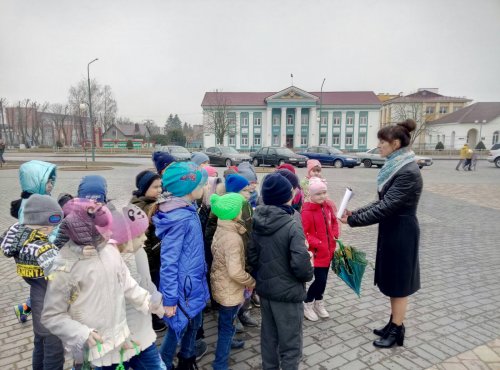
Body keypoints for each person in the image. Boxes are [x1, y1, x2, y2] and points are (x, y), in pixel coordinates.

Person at [42, 198, 161, 368]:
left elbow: (127, 284)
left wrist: (148, 302)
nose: (110, 235)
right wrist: (81, 333)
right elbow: (52, 315)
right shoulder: (65, 267)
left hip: (121, 341)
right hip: (94, 349)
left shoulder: (109, 252)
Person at [340, 119, 423, 349]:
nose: (378, 146)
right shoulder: (398, 166)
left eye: (382, 142)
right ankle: (393, 323)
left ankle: (397, 329)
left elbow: (387, 207)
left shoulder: (407, 171)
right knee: (394, 280)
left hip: (402, 232)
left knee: (399, 283)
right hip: (393, 229)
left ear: (395, 144)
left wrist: (354, 220)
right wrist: (354, 213)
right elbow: (382, 202)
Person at [249, 173, 314, 370]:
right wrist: (309, 267)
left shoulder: (256, 219)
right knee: (291, 345)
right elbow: (301, 266)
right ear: (287, 197)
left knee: (269, 339)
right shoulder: (292, 224)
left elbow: (252, 256)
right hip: (288, 294)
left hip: (266, 292)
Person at [153, 162, 209, 370]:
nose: (204, 187)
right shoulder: (179, 218)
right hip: (182, 289)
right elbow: (168, 262)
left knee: (194, 323)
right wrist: (169, 299)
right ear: (188, 188)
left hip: (193, 283)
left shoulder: (187, 209)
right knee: (177, 329)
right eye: (201, 184)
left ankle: (187, 359)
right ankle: (163, 364)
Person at [1, 194, 65, 369]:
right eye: (52, 226)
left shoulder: (20, 240)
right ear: (44, 226)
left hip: (37, 301)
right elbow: (63, 280)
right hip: (53, 308)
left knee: (40, 345)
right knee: (54, 353)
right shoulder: (43, 248)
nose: (53, 230)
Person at [110, 204, 166, 370]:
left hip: (139, 333)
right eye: (139, 235)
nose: (145, 239)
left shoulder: (138, 252)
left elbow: (146, 286)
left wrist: (160, 306)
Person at [210, 193, 256, 370]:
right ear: (235, 213)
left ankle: (230, 342)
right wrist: (251, 280)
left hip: (221, 284)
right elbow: (235, 271)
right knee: (226, 327)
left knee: (227, 321)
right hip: (229, 288)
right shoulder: (233, 238)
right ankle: (220, 364)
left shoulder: (222, 227)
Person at [10, 159, 57, 322]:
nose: (51, 184)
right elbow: (29, 230)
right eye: (47, 181)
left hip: (49, 248)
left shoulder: (45, 199)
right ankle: (36, 312)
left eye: (52, 180)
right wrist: (49, 240)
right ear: (36, 182)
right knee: (46, 288)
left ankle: (25, 309)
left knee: (46, 288)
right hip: (39, 254)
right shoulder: (29, 206)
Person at [130, 170, 167, 333]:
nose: (159, 190)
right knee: (148, 287)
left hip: (156, 255)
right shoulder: (140, 208)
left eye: (160, 186)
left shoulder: (154, 203)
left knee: (155, 286)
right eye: (155, 187)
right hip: (149, 257)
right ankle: (152, 318)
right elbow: (142, 239)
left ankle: (155, 315)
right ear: (144, 188)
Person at [301, 177, 340, 321]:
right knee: (320, 280)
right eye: (318, 194)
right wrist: (318, 243)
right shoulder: (307, 212)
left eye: (324, 192)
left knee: (324, 280)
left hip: (328, 251)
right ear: (310, 195)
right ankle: (308, 303)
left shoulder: (327, 207)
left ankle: (319, 302)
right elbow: (304, 233)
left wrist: (335, 234)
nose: (322, 196)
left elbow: (334, 222)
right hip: (316, 254)